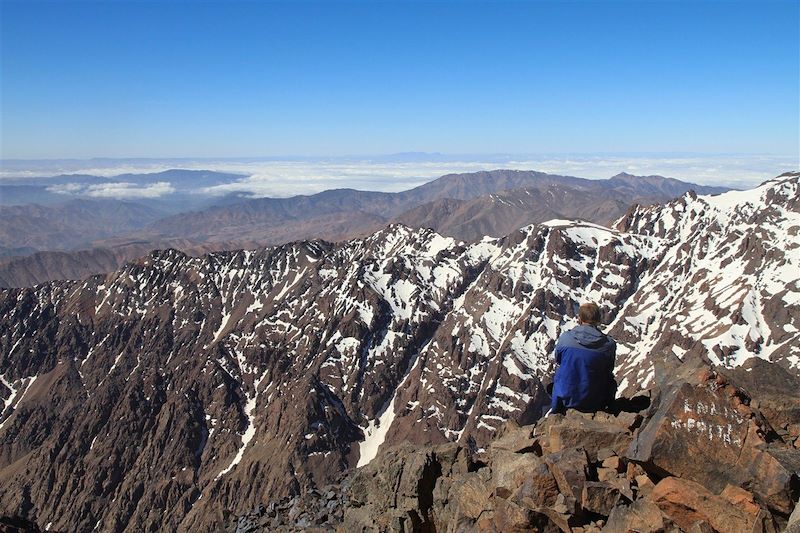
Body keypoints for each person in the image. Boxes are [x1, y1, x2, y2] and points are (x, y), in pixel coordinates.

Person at [549, 302, 617, 415]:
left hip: (566, 398)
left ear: (579, 318)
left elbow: (558, 359)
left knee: (559, 374)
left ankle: (557, 410)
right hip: (595, 401)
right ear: (598, 320)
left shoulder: (565, 338)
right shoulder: (609, 345)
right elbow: (609, 368)